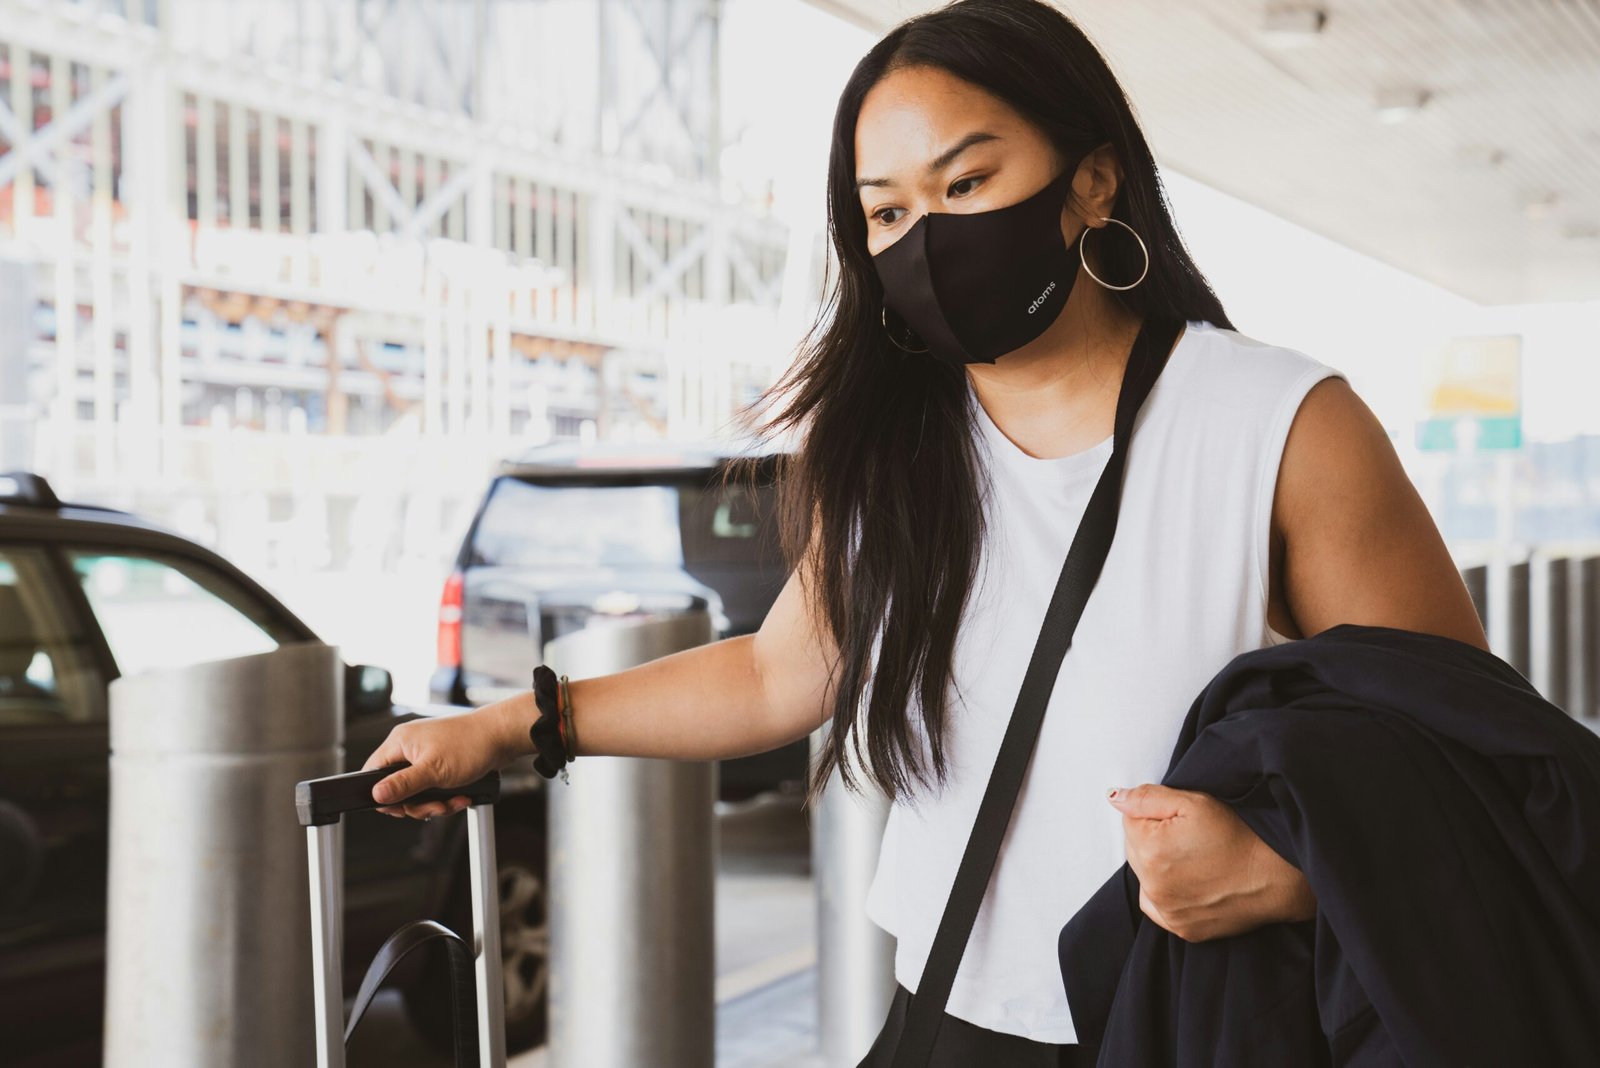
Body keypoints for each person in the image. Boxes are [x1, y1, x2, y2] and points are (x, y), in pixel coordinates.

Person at [362, 0, 1489, 1061]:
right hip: (949, 1012)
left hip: (1202, 1021)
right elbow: (773, 678)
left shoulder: (1279, 425)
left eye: (967, 182)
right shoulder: (893, 448)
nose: (928, 239)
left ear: (1093, 181)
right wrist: (516, 726)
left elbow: (1463, 762)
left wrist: (1289, 871)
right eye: (889, 212)